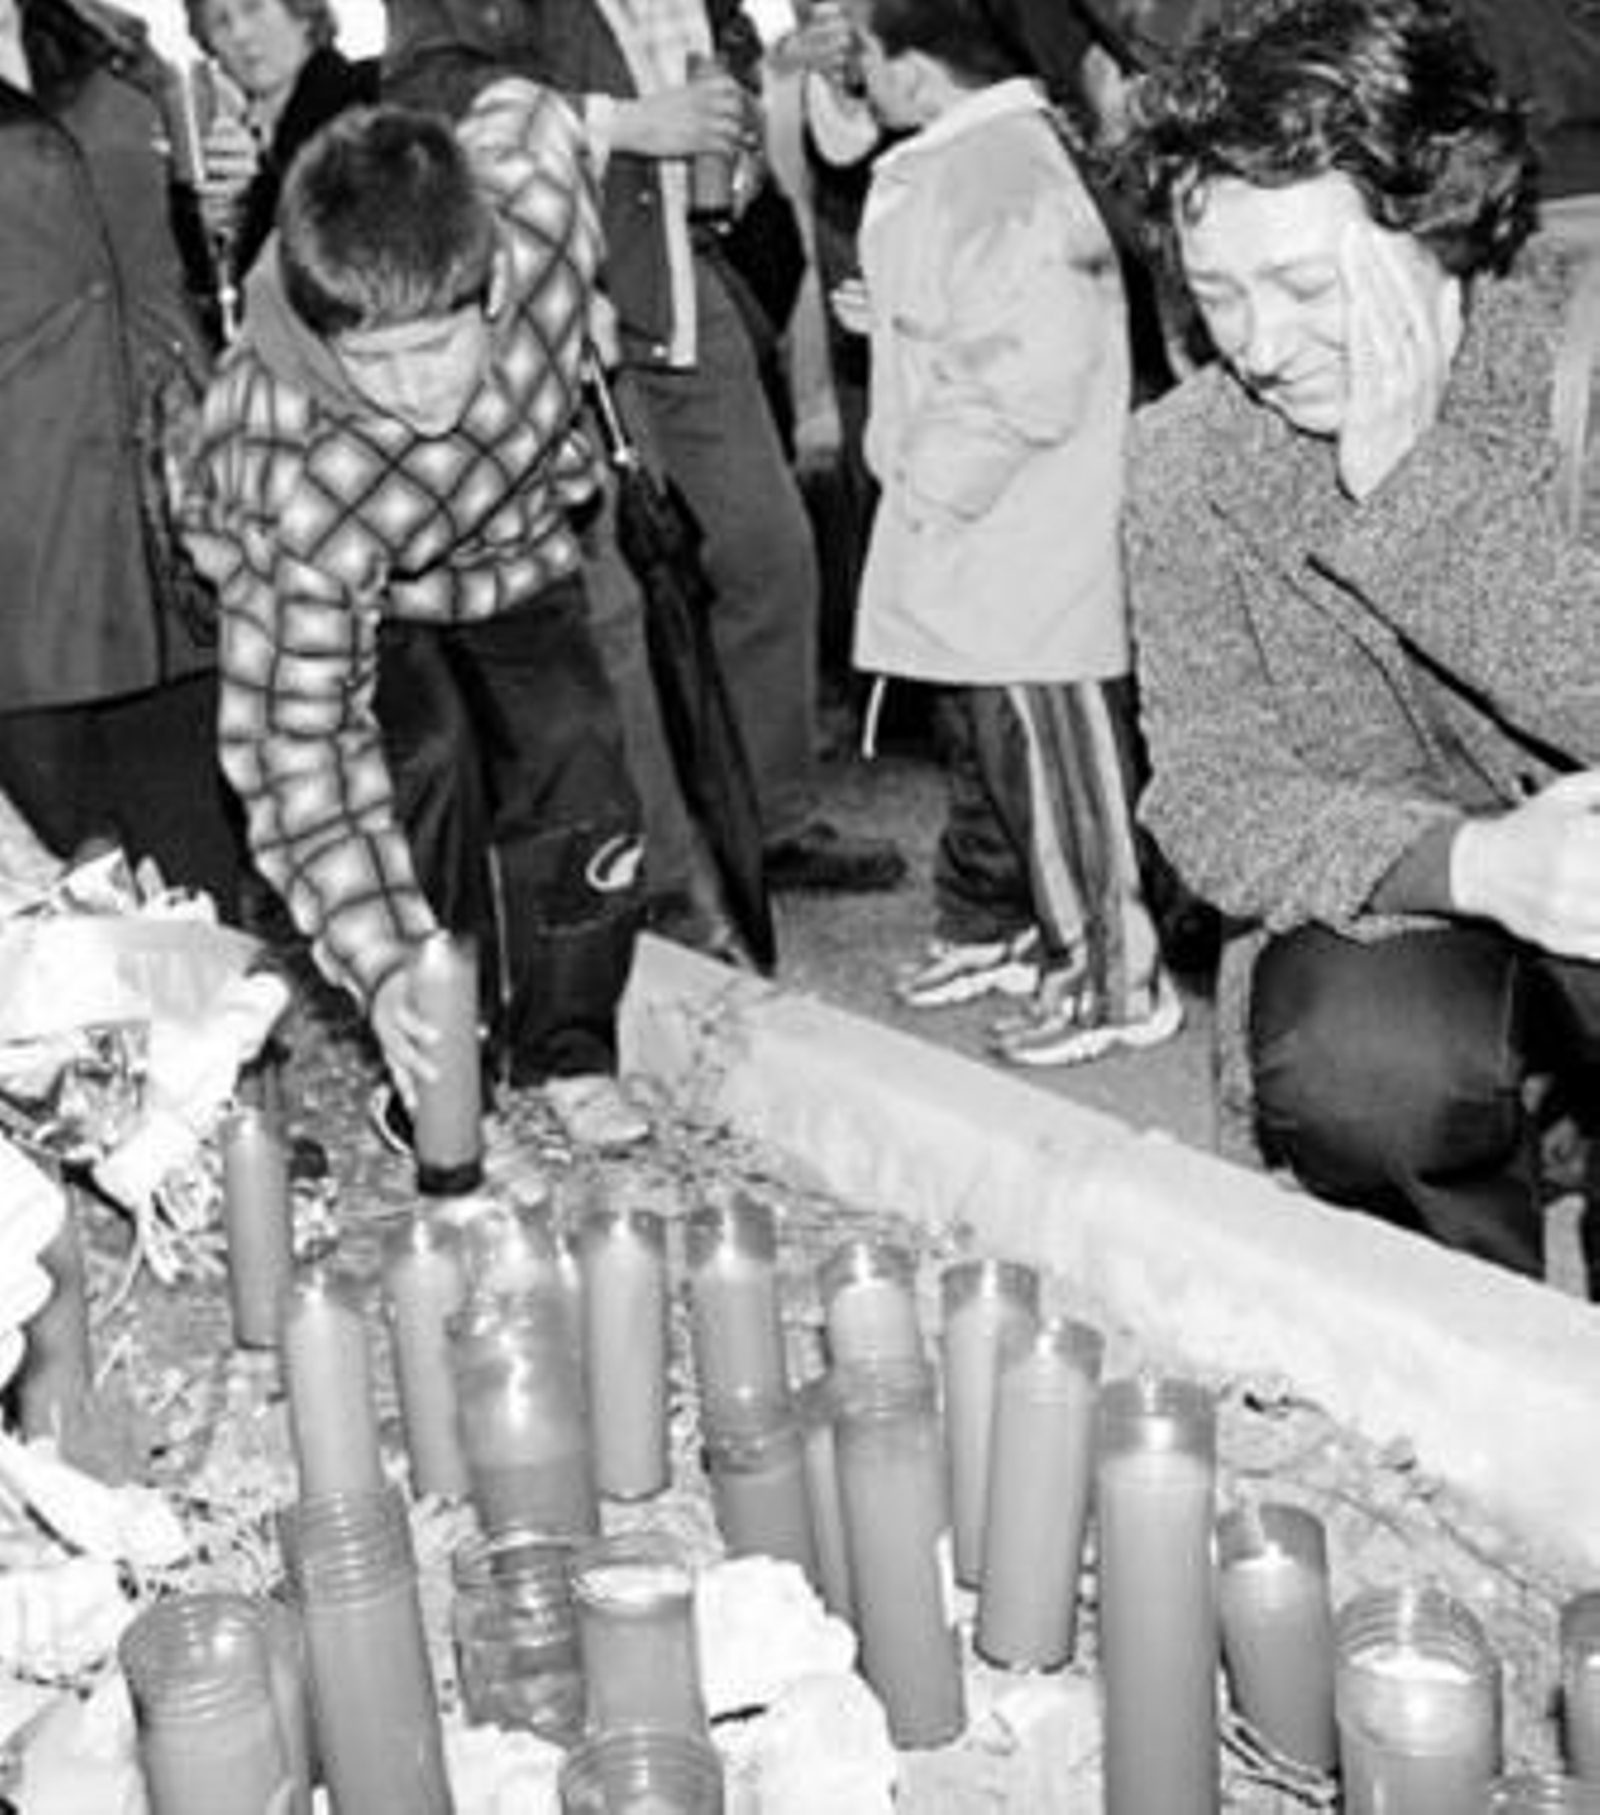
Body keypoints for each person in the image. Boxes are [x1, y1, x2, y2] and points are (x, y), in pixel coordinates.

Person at [1118, 0, 1600, 1287]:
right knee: (1359, 1070)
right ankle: (1457, 1356)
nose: (1261, 347)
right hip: (1399, 898)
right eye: (1217, 293)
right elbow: (1209, 793)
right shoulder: (1185, 459)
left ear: (1435, 223)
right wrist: (1473, 864)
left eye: (1303, 285)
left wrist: (1411, 491)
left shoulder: (1582, 361)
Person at [183, 88, 651, 1150]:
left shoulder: (534, 225)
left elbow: (532, 109)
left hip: (510, 545)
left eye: (435, 349)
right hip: (360, 580)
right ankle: (445, 1065)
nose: (415, 393)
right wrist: (384, 961)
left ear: (490, 292)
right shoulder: (290, 460)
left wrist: (600, 286)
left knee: (579, 758)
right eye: (374, 363)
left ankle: (570, 1045)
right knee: (420, 759)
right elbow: (298, 747)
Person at [384, 0, 908, 901]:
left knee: (768, 551)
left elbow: (726, 67)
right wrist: (627, 125)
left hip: (679, 264)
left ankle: (769, 820)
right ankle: (656, 876)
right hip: (548, 283)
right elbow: (426, 91)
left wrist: (737, 136)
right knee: (611, 605)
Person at [840, 0, 1181, 1068]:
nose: (853, 73)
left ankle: (1119, 982)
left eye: (863, 53)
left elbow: (1032, 370)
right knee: (1004, 757)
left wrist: (925, 482)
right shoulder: (975, 154)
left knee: (1060, 765)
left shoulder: (999, 170)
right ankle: (1043, 941)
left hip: (1013, 530)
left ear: (917, 67)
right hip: (991, 527)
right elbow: (986, 319)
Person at [0, 0, 241, 914]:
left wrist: (229, 191)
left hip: (171, 508)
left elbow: (182, 248)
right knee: (81, 866)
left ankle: (223, 1039)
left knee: (196, 844)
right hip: (26, 535)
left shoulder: (117, 52)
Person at [183, 0, 377, 297]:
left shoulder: (372, 94)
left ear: (302, 14)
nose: (241, 33)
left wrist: (259, 192)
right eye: (221, 22)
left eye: (254, 7)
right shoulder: (221, 140)